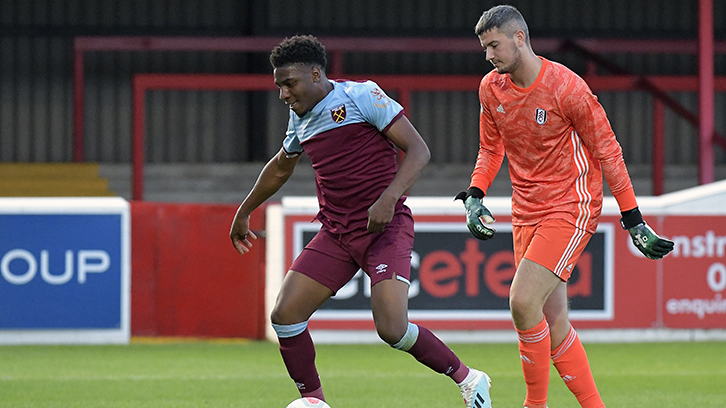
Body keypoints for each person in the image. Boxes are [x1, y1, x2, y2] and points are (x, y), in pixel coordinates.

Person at [230, 35, 492, 408]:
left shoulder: (361, 96)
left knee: (392, 329)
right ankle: (314, 402)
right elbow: (280, 167)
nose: (284, 94)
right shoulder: (299, 118)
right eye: (279, 86)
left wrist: (388, 199)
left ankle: (469, 378)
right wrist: (244, 210)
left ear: (316, 73)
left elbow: (419, 151)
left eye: (289, 84)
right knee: (285, 315)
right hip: (337, 233)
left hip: (385, 228)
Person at [457, 6, 674, 408]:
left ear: (520, 38)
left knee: (522, 302)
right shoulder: (491, 88)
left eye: (494, 45)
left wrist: (634, 219)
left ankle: (533, 405)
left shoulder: (566, 87)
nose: (488, 55)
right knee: (553, 323)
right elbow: (491, 147)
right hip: (525, 208)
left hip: (570, 204)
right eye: (484, 47)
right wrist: (475, 194)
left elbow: (608, 151)